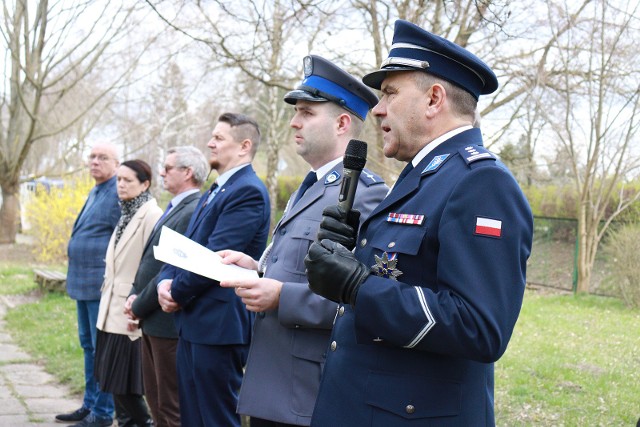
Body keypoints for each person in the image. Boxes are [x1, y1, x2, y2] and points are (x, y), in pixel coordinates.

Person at [304, 20, 534, 426]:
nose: (377, 108)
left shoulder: (481, 182)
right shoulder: (423, 175)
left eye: (390, 92)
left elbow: (480, 326)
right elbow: (411, 272)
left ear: (433, 99)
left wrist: (358, 285)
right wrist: (354, 249)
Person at [219, 55, 388, 427]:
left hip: (307, 393)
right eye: (296, 111)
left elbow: (363, 297)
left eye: (307, 113)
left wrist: (281, 296)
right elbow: (300, 266)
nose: (294, 121)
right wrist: (257, 268)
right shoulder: (309, 187)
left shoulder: (364, 195)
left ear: (343, 122)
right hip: (272, 379)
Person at [157, 112, 271, 427]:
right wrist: (164, 281)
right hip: (195, 322)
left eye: (219, 138)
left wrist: (176, 293)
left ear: (244, 146)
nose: (210, 143)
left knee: (216, 417)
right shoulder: (216, 189)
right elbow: (186, 247)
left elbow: (215, 257)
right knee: (193, 416)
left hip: (219, 326)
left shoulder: (246, 191)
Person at [123, 146, 209, 427]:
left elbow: (167, 270)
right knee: (157, 401)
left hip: (167, 323)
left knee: (171, 406)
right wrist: (135, 296)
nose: (161, 172)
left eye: (168, 167)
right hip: (153, 319)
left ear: (187, 172)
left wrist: (137, 304)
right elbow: (151, 260)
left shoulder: (192, 210)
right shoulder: (176, 206)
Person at [94, 159, 162, 427]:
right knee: (112, 382)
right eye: (118, 180)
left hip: (129, 310)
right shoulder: (126, 211)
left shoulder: (151, 214)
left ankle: (144, 423)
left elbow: (152, 265)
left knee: (125, 385)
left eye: (127, 181)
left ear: (145, 184)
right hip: (109, 306)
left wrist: (140, 305)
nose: (120, 185)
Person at [57, 143, 120, 427]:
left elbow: (122, 239)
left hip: (99, 285)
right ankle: (90, 405)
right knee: (88, 346)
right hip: (82, 283)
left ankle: (103, 413)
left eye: (102, 157)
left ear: (116, 164)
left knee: (100, 349)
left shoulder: (117, 191)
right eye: (92, 157)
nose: (95, 162)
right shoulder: (97, 190)